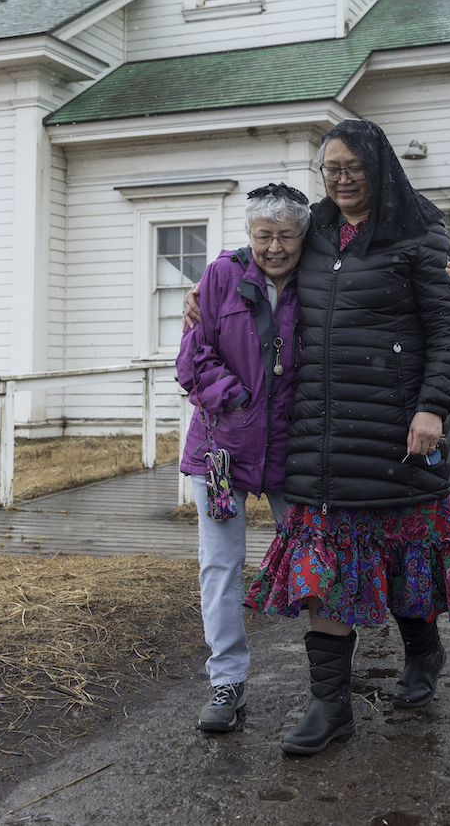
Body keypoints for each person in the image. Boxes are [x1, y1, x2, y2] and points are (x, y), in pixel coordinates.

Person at [243, 117, 450, 756]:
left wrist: (433, 410)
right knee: (325, 571)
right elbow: (262, 251)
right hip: (322, 436)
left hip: (398, 432)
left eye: (353, 167)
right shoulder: (316, 229)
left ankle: (425, 653)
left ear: (379, 167)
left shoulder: (417, 238)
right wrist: (212, 284)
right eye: (331, 169)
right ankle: (330, 706)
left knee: (408, 564)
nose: (343, 179)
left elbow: (448, 334)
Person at [175, 183, 309, 733]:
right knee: (221, 564)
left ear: (304, 235)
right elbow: (192, 357)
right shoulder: (221, 276)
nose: (274, 248)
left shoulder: (320, 282)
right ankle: (226, 681)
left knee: (314, 555)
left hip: (292, 448)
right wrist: (233, 399)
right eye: (263, 236)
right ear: (248, 235)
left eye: (285, 236)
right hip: (221, 449)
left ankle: (330, 678)